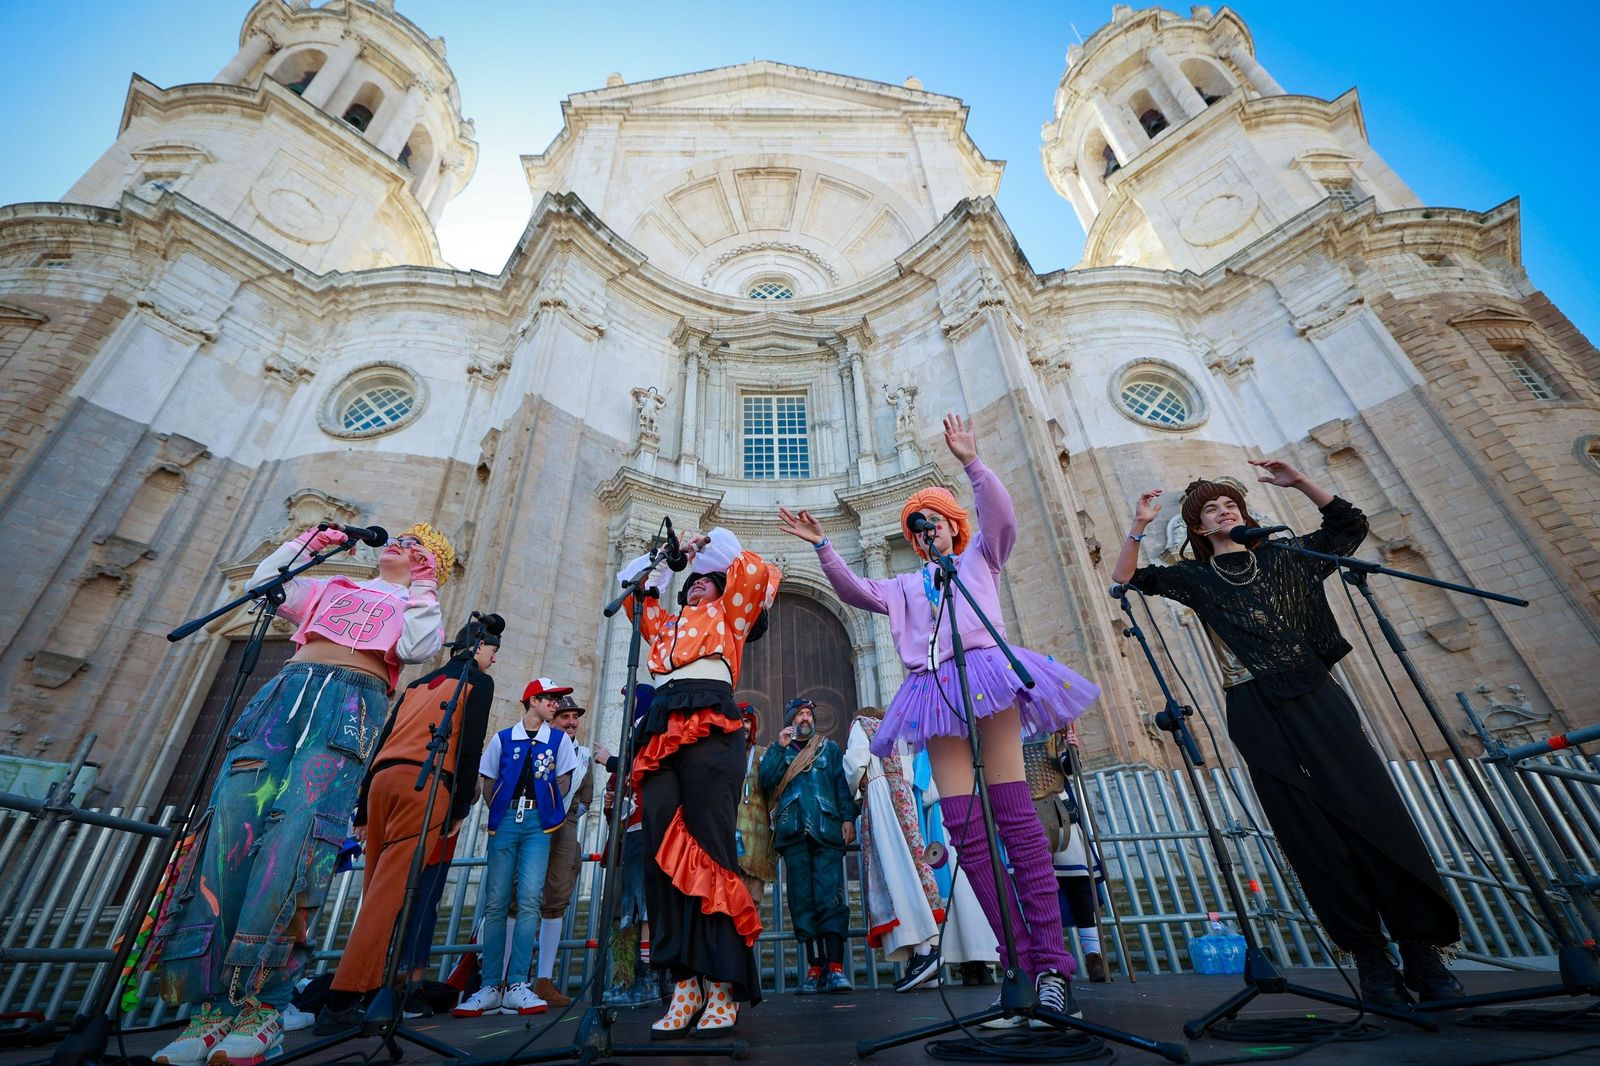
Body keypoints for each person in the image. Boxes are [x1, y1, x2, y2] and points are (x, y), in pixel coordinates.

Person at [779, 413, 1100, 1021]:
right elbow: (856, 593)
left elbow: (1003, 518)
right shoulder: (906, 584)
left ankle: (1055, 966)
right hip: (933, 690)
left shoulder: (981, 557)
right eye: (919, 528)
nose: (929, 533)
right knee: (965, 828)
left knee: (1015, 819)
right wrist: (823, 546)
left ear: (954, 527)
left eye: (937, 524)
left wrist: (972, 464)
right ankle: (1018, 965)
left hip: (985, 678)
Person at [1110, 462, 1463, 1006]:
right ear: (1200, 529)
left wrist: (1299, 482)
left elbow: (1348, 526)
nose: (1225, 510)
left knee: (1373, 812)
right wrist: (1138, 524)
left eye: (1231, 504)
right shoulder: (1198, 579)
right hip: (1253, 705)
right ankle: (1369, 957)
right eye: (1211, 509)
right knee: (1308, 829)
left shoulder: (1288, 556)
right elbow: (1128, 577)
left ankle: (1420, 950)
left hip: (1315, 695)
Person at [149, 523, 451, 1066]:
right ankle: (211, 1010)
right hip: (285, 695)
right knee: (230, 835)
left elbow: (418, 647)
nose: (400, 546)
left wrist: (425, 588)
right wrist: (305, 545)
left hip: (349, 705)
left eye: (417, 546)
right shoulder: (335, 587)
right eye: (399, 539)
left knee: (296, 843)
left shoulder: (413, 604)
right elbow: (268, 585)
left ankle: (263, 1006)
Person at [615, 527, 778, 1037]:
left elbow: (748, 565)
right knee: (660, 855)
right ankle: (684, 983)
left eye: (707, 582)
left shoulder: (731, 617)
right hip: (662, 725)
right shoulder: (663, 624)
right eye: (692, 583)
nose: (697, 587)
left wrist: (704, 546)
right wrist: (667, 559)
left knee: (709, 848)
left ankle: (724, 983)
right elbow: (631, 588)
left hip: (711, 722)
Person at [316, 619, 501, 1031]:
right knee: (390, 893)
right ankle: (342, 1000)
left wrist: (362, 810)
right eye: (493, 652)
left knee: (376, 891)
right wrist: (458, 809)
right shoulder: (478, 682)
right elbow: (469, 746)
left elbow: (382, 738)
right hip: (425, 782)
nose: (493, 659)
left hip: (382, 782)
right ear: (479, 647)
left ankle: (368, 989)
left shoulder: (421, 683)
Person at [451, 679, 581, 1017]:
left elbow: (565, 777)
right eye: (550, 699)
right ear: (532, 701)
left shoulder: (557, 739)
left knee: (529, 899)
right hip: (507, 820)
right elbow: (489, 777)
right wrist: (499, 806)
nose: (556, 704)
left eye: (557, 699)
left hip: (540, 823)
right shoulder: (504, 738)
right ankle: (491, 984)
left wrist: (549, 802)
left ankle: (519, 983)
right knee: (495, 903)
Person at [760, 698, 859, 994]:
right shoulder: (781, 749)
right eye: (800, 714)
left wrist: (848, 818)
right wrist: (778, 747)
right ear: (791, 718)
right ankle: (814, 968)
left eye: (808, 714)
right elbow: (766, 780)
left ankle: (836, 968)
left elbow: (842, 786)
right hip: (793, 833)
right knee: (802, 901)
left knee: (830, 897)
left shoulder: (828, 748)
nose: (805, 718)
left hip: (826, 830)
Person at [843, 706, 944, 992]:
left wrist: (854, 790)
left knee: (894, 871)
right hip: (903, 796)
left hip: (881, 796)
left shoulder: (861, 724)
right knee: (912, 866)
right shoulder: (900, 731)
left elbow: (855, 763)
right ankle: (925, 957)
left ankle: (924, 952)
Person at [1028, 726, 1111, 983]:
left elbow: (1068, 768)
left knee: (1077, 884)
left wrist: (1072, 748)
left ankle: (1093, 955)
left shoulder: (1051, 731)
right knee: (1035, 890)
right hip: (1025, 814)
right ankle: (1048, 955)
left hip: (1060, 811)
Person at [533, 695, 594, 1007]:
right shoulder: (538, 746)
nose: (571, 722)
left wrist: (568, 818)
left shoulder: (583, 756)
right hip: (533, 823)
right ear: (552, 720)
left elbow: (587, 797)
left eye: (575, 717)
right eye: (565, 717)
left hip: (565, 828)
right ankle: (503, 979)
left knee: (556, 898)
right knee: (520, 896)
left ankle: (544, 980)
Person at [733, 704, 777, 912]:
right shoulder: (722, 754)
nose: (743, 725)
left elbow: (774, 795)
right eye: (739, 720)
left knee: (752, 903)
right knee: (730, 899)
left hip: (758, 839)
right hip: (728, 834)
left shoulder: (764, 755)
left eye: (748, 721)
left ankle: (749, 945)